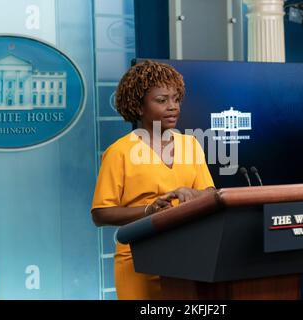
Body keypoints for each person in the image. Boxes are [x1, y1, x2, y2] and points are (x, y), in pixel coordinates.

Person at [91, 60, 215, 300]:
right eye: (162, 100)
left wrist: (190, 194)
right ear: (138, 107)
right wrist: (149, 210)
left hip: (186, 256)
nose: (173, 107)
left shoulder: (190, 145)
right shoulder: (120, 152)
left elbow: (210, 192)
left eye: (176, 99)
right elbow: (100, 213)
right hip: (137, 259)